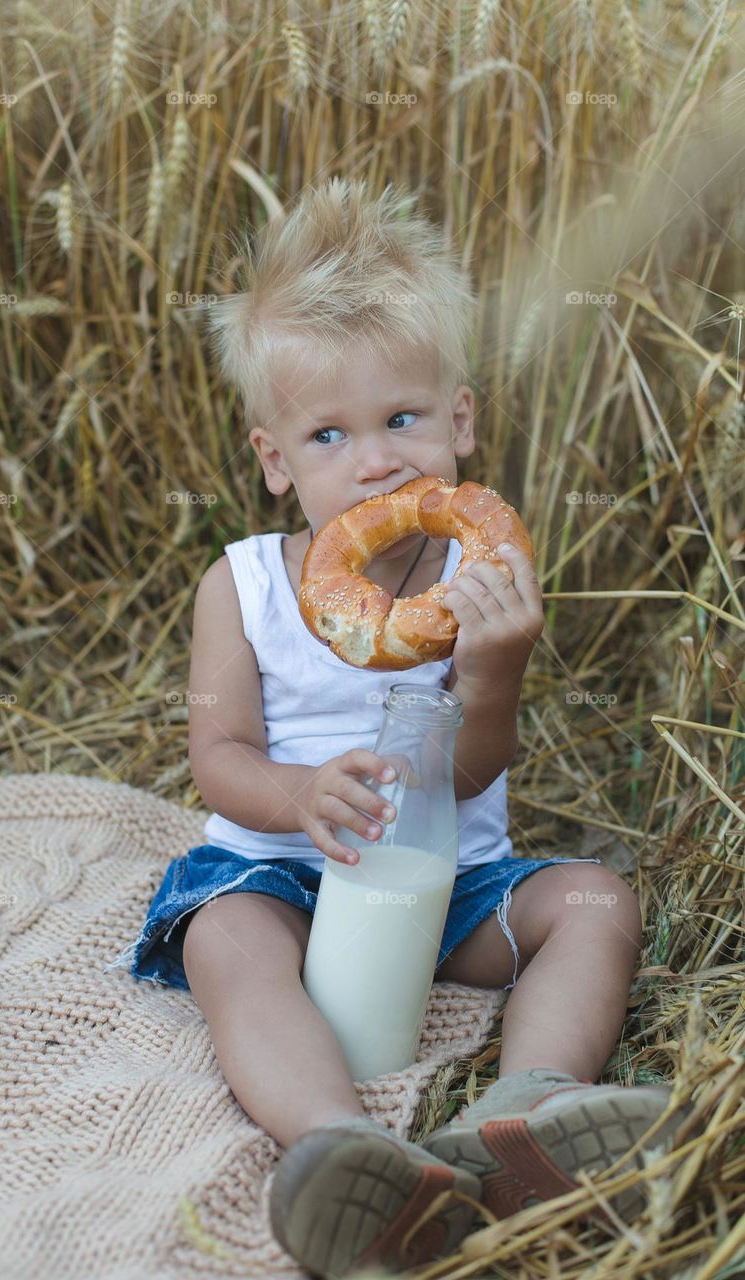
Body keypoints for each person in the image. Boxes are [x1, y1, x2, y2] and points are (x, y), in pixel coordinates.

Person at [105, 178, 689, 1278]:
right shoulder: (244, 587)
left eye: (401, 419)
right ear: (275, 459)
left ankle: (526, 1112)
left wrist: (495, 674)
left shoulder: (480, 578)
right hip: (284, 877)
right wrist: (299, 795)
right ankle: (342, 1143)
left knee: (593, 901)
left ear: (458, 419)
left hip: (447, 886)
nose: (375, 460)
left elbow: (468, 776)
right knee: (225, 941)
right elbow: (217, 757)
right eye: (329, 433)